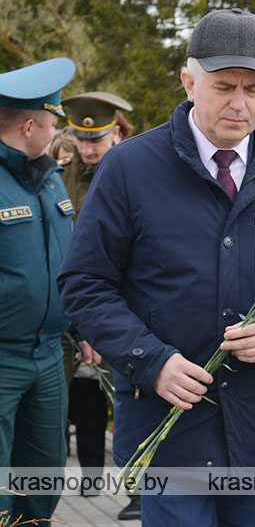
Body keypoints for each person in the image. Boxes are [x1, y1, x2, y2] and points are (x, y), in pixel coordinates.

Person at [59, 8, 255, 527]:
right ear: (190, 83)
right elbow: (85, 283)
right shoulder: (130, 168)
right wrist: (151, 361)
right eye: (223, 86)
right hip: (169, 425)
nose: (239, 103)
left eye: (253, 89)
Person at [0, 57, 93, 521]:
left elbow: (64, 265)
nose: (58, 132)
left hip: (50, 354)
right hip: (3, 356)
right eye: (54, 123)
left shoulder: (51, 179)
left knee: (43, 472)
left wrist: (84, 326)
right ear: (30, 126)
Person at [57, 91, 140, 516]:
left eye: (98, 139)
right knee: (67, 401)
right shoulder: (58, 178)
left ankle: (140, 491)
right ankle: (64, 483)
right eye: (82, 139)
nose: (89, 148)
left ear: (116, 133)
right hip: (68, 308)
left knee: (130, 401)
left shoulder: (134, 174)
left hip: (122, 309)